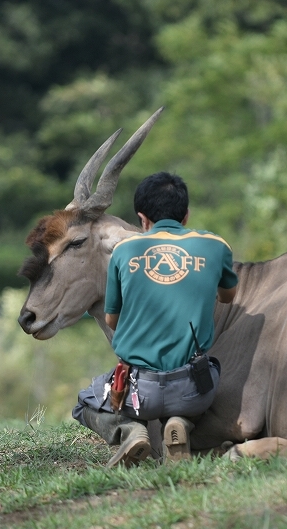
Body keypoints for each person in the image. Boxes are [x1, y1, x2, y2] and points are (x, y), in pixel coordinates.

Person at [72, 172, 238, 467]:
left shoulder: (124, 251)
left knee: (85, 401)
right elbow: (228, 296)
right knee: (211, 371)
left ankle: (131, 431)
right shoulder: (215, 246)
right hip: (193, 390)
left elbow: (112, 321)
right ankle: (180, 423)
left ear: (142, 218)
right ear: (186, 216)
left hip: (139, 393)